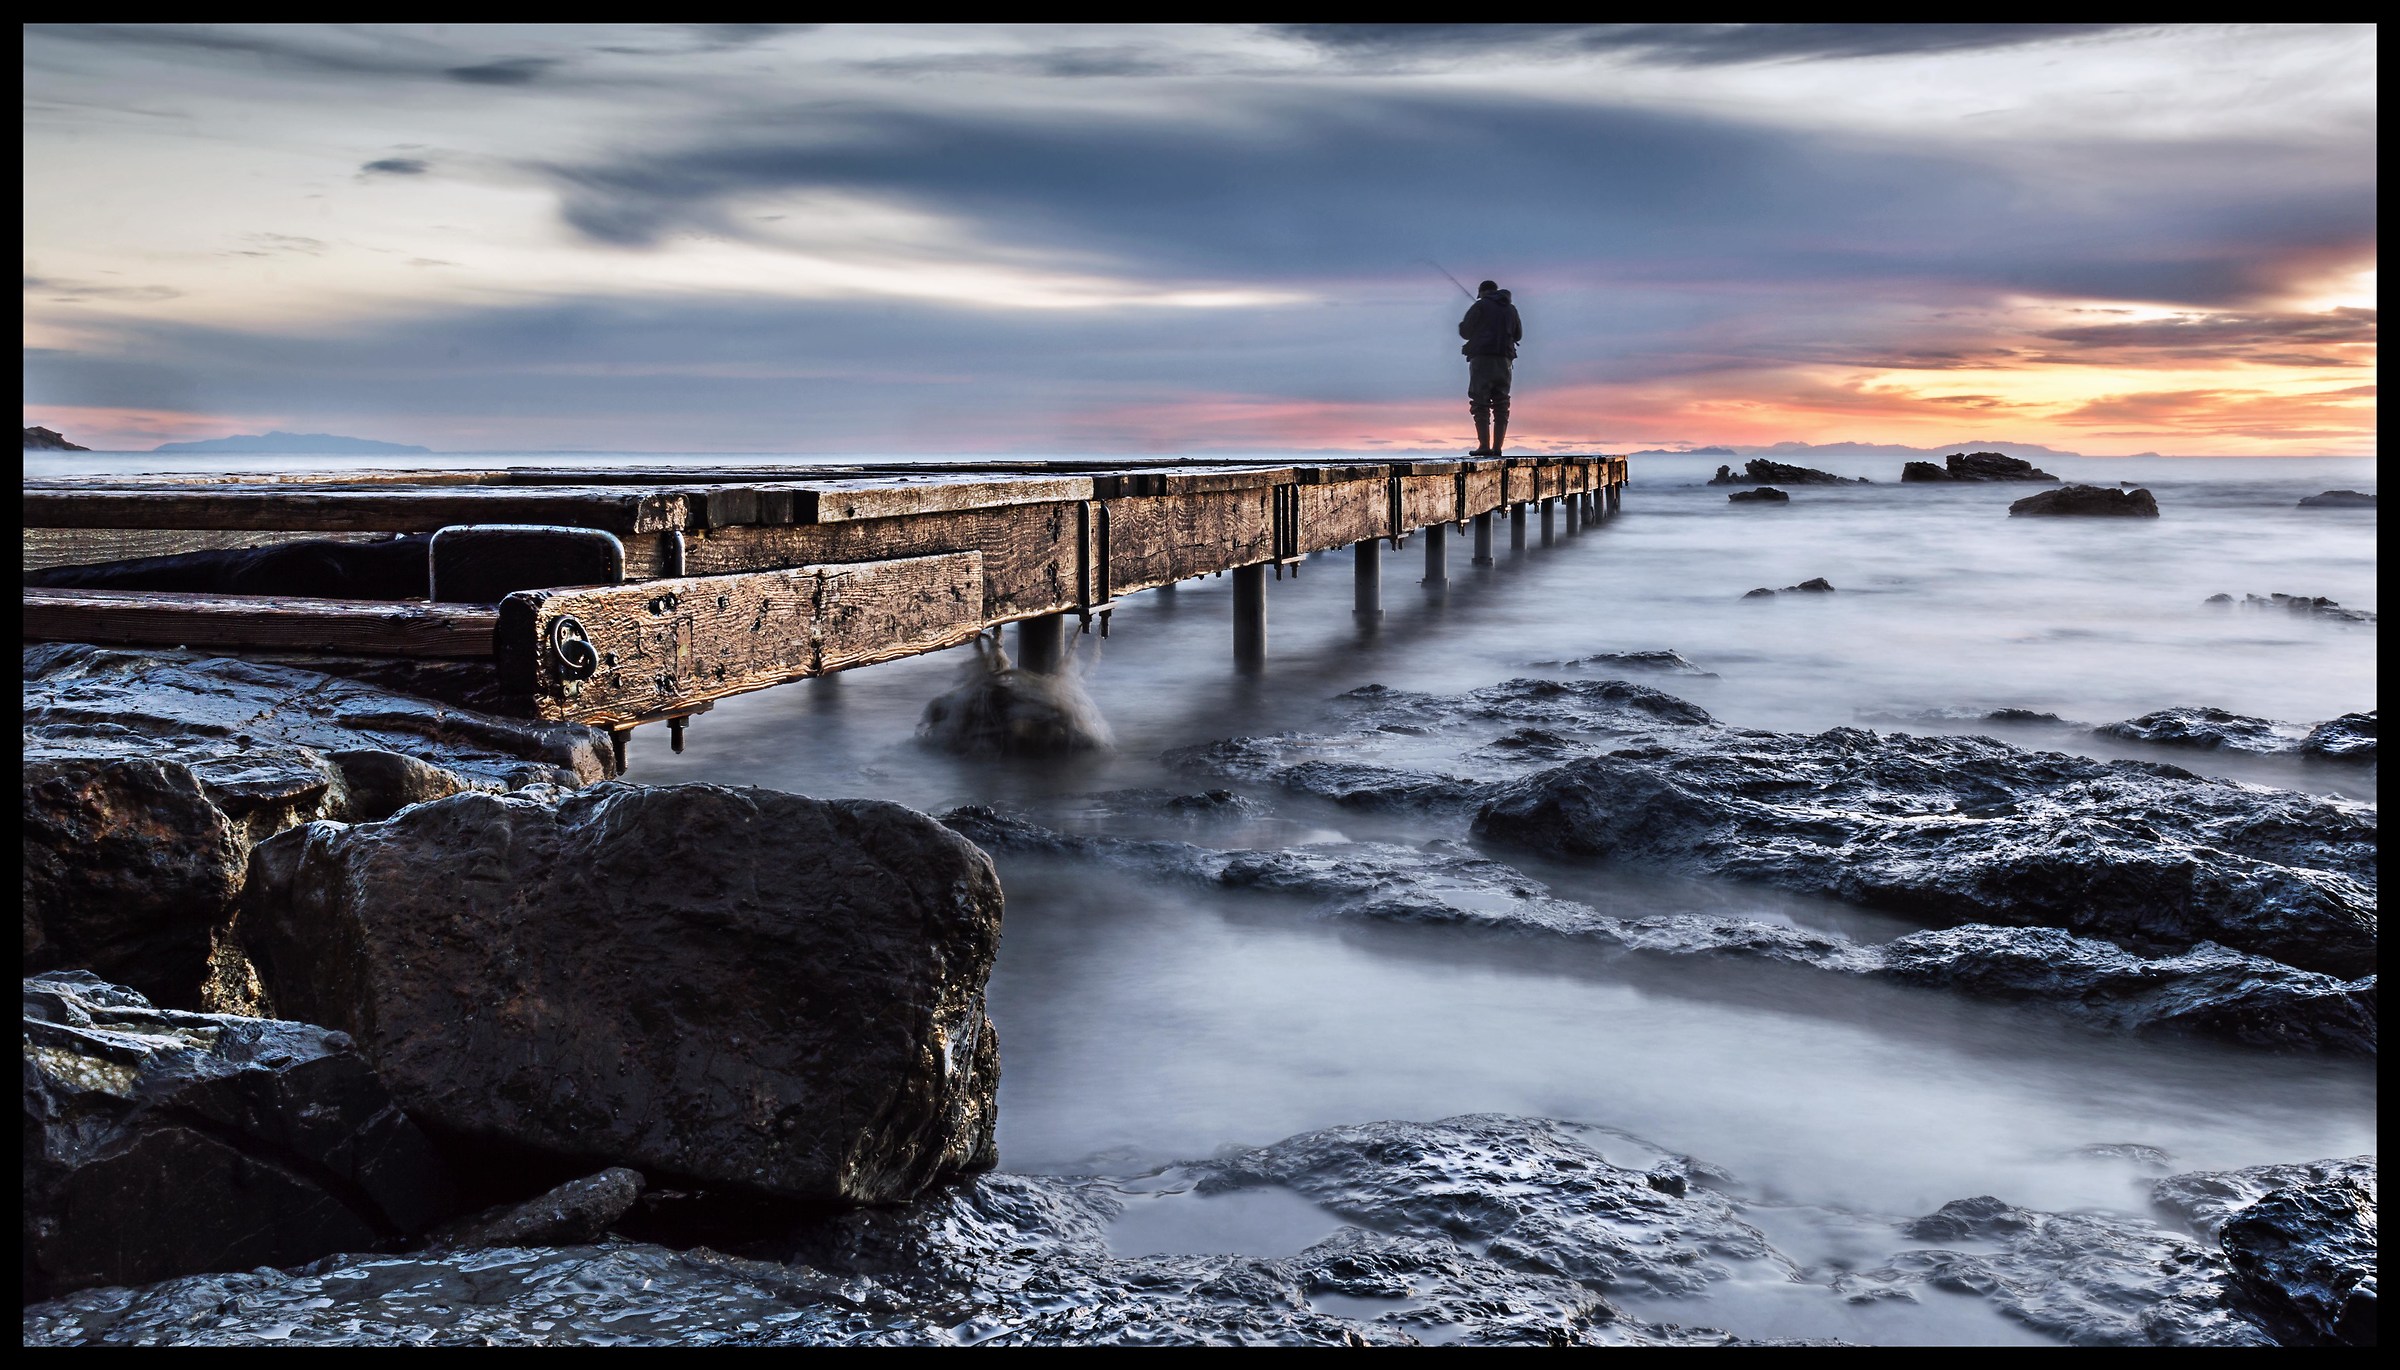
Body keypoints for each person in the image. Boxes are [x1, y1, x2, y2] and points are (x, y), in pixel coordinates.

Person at [1457, 279, 1521, 455]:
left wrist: (1462, 325)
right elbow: (1518, 335)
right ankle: (1497, 448)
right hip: (1505, 361)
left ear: (1482, 292)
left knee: (1480, 402)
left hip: (1482, 360)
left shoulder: (1479, 306)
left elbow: (1465, 332)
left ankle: (1484, 446)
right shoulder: (1511, 309)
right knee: (1502, 403)